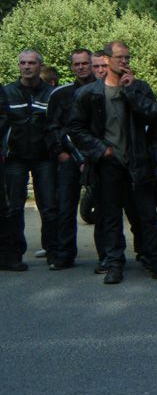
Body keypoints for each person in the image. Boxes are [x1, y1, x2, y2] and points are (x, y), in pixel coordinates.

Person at [67, 41, 157, 284]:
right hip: (108, 164)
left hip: (137, 163)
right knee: (110, 218)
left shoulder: (139, 88)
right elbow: (75, 127)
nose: (125, 62)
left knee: (147, 217)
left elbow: (155, 116)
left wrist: (131, 92)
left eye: (127, 57)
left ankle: (156, 261)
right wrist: (100, 150)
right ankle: (114, 263)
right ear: (106, 59)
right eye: (120, 58)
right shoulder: (89, 93)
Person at [0, 50, 57, 271]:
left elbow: (57, 124)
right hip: (15, 158)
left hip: (44, 157)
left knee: (49, 207)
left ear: (39, 66)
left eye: (31, 63)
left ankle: (53, 252)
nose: (26, 67)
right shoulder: (6, 92)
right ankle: (13, 254)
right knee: (14, 208)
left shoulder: (51, 93)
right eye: (22, 62)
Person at [46, 48, 95, 269]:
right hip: (69, 158)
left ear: (92, 64)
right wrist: (61, 154)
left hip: (97, 157)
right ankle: (65, 254)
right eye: (77, 64)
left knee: (105, 208)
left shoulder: (102, 89)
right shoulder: (60, 94)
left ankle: (108, 255)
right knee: (65, 206)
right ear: (71, 67)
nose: (81, 67)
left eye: (85, 63)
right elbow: (52, 127)